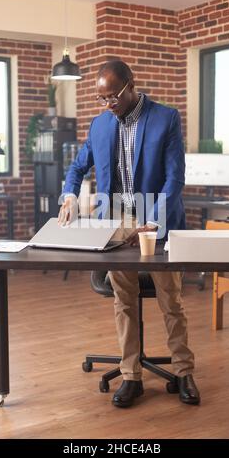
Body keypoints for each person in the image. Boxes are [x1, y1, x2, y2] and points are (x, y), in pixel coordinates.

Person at [58, 59, 200, 408]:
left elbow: (174, 179)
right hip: (117, 222)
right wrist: (70, 195)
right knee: (124, 300)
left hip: (157, 221)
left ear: (130, 86)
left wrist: (154, 220)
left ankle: (183, 371)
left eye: (113, 97)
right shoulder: (100, 125)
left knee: (171, 300)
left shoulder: (165, 118)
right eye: (102, 98)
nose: (108, 104)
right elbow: (77, 167)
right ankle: (131, 375)